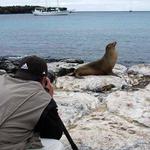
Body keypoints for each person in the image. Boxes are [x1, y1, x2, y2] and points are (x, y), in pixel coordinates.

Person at [0, 55, 64, 150]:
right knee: (56, 145)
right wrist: (49, 97)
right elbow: (54, 134)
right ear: (44, 80)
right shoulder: (43, 99)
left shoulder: (2, 79)